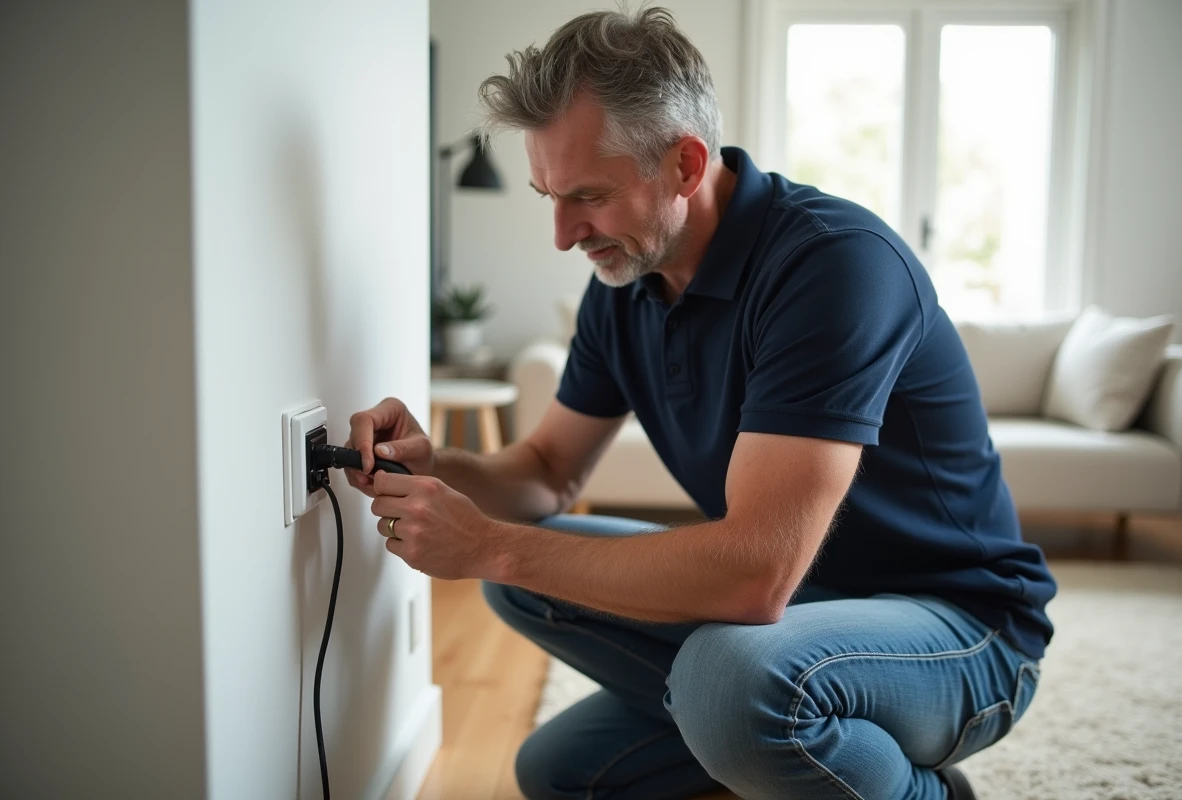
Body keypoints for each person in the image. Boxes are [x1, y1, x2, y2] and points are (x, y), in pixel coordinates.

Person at [345, 7, 1055, 799]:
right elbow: (546, 471)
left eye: (587, 195)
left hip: (962, 627)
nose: (562, 234)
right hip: (803, 612)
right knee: (563, 772)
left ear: (684, 164)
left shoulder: (834, 267)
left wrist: (487, 546)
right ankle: (806, 735)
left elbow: (754, 576)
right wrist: (436, 466)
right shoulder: (625, 281)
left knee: (722, 680)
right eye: (549, 195)